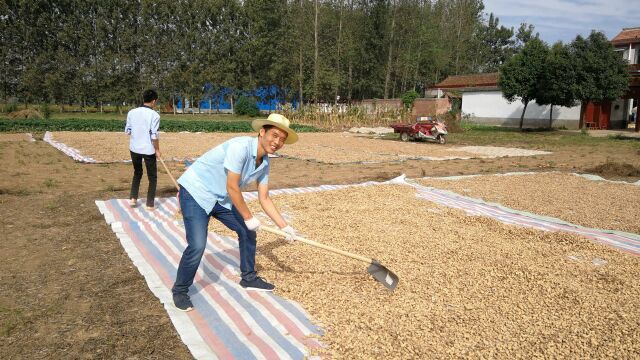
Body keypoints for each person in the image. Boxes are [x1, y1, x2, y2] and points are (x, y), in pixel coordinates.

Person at [172, 113, 299, 312]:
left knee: (248, 232)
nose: (277, 142)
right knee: (197, 244)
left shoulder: (264, 162)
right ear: (262, 131)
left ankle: (248, 278)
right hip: (196, 192)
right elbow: (233, 187)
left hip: (220, 198)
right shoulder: (240, 147)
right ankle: (180, 290)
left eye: (282, 140)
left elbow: (264, 197)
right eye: (274, 135)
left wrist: (285, 226)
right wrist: (248, 217)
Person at [125, 89, 161, 209]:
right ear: (154, 101)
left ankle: (133, 198)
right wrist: (157, 150)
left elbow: (128, 131)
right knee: (152, 176)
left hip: (134, 148)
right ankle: (150, 204)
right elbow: (154, 136)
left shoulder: (131, 112)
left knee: (137, 173)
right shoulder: (155, 115)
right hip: (148, 149)